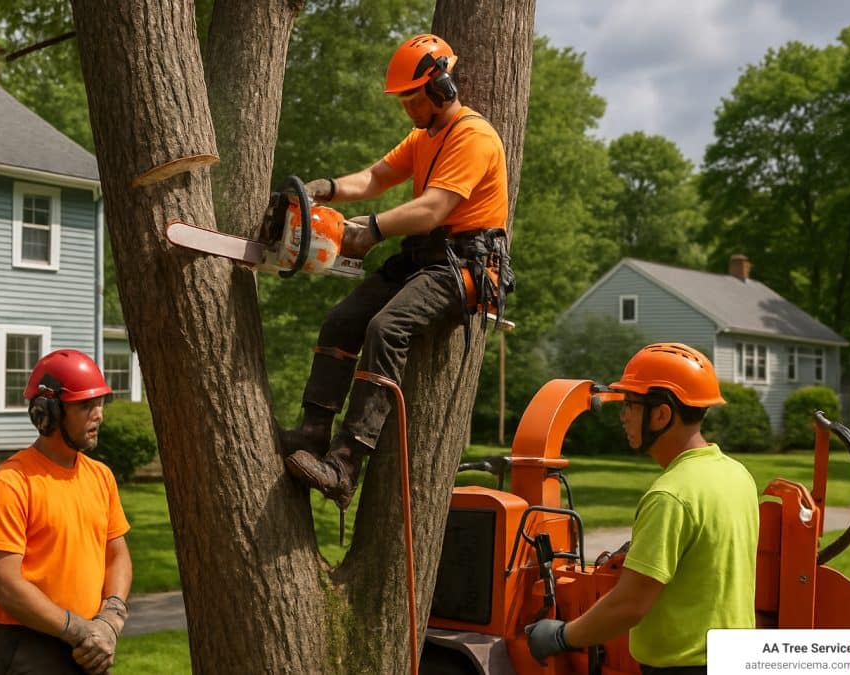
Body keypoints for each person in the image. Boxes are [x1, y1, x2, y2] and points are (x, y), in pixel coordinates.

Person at [281, 33, 512, 514]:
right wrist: (325, 189)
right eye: (403, 100)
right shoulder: (422, 137)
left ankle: (345, 467)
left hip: (466, 267)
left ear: (442, 87)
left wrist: (375, 230)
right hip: (426, 255)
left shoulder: (474, 137)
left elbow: (432, 209)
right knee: (341, 320)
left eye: (413, 98)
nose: (408, 109)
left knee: (386, 328)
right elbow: (374, 178)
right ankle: (311, 434)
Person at [526, 343, 759, 675]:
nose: (623, 416)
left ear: (662, 414)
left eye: (631, 405)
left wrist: (562, 636)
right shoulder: (737, 475)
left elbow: (630, 605)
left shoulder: (671, 495)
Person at [0, 349, 132, 675]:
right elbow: (4, 584)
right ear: (47, 413)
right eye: (85, 405)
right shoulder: (10, 483)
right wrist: (79, 630)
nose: (99, 414)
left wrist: (110, 621)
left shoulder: (100, 477)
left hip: (91, 646)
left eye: (100, 402)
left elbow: (117, 556)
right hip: (29, 651)